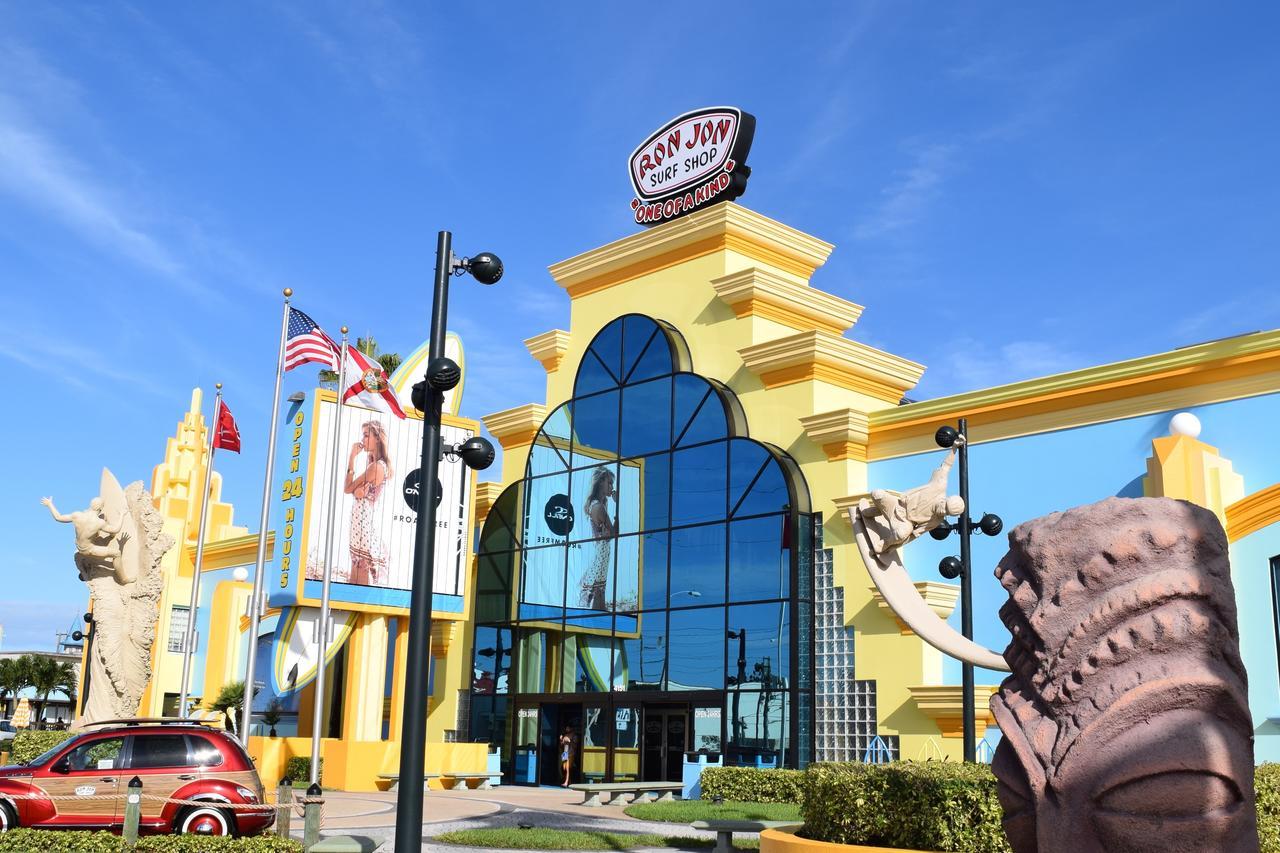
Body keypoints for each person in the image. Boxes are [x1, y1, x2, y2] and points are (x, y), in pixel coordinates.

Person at [345, 420, 393, 586]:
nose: (362, 439)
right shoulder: (373, 463)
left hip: (365, 523)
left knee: (361, 571)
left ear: (377, 438)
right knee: (357, 567)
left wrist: (352, 457)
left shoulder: (377, 467)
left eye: (366, 435)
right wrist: (357, 492)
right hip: (361, 521)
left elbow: (348, 487)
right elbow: (356, 491)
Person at [581, 467, 617, 610]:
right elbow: (614, 533)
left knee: (599, 590)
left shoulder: (600, 504)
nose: (612, 487)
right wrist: (618, 504)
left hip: (602, 551)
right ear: (601, 482)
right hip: (600, 552)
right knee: (596, 590)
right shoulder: (598, 507)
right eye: (609, 483)